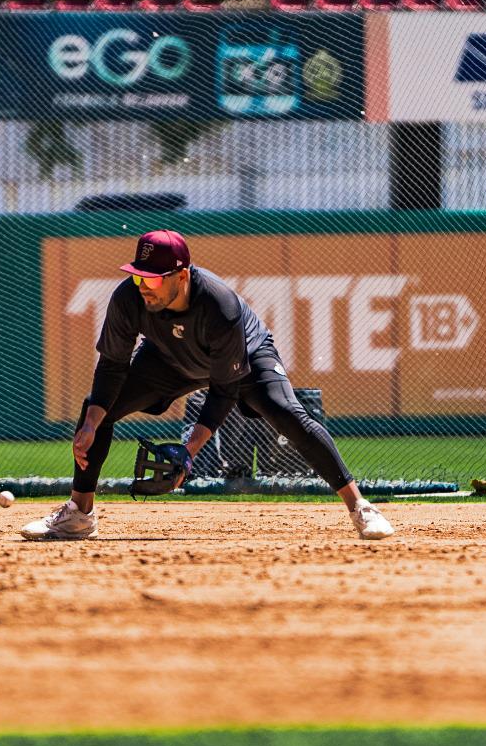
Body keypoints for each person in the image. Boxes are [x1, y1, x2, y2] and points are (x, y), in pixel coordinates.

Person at [22, 229, 395, 543]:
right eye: (138, 275)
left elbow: (224, 389)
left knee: (286, 413)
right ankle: (78, 514)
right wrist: (91, 423)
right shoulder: (128, 298)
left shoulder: (219, 305)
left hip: (244, 359)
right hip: (168, 358)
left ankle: (361, 507)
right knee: (97, 408)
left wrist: (190, 450)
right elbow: (112, 365)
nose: (143, 286)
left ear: (180, 276)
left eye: (152, 278)